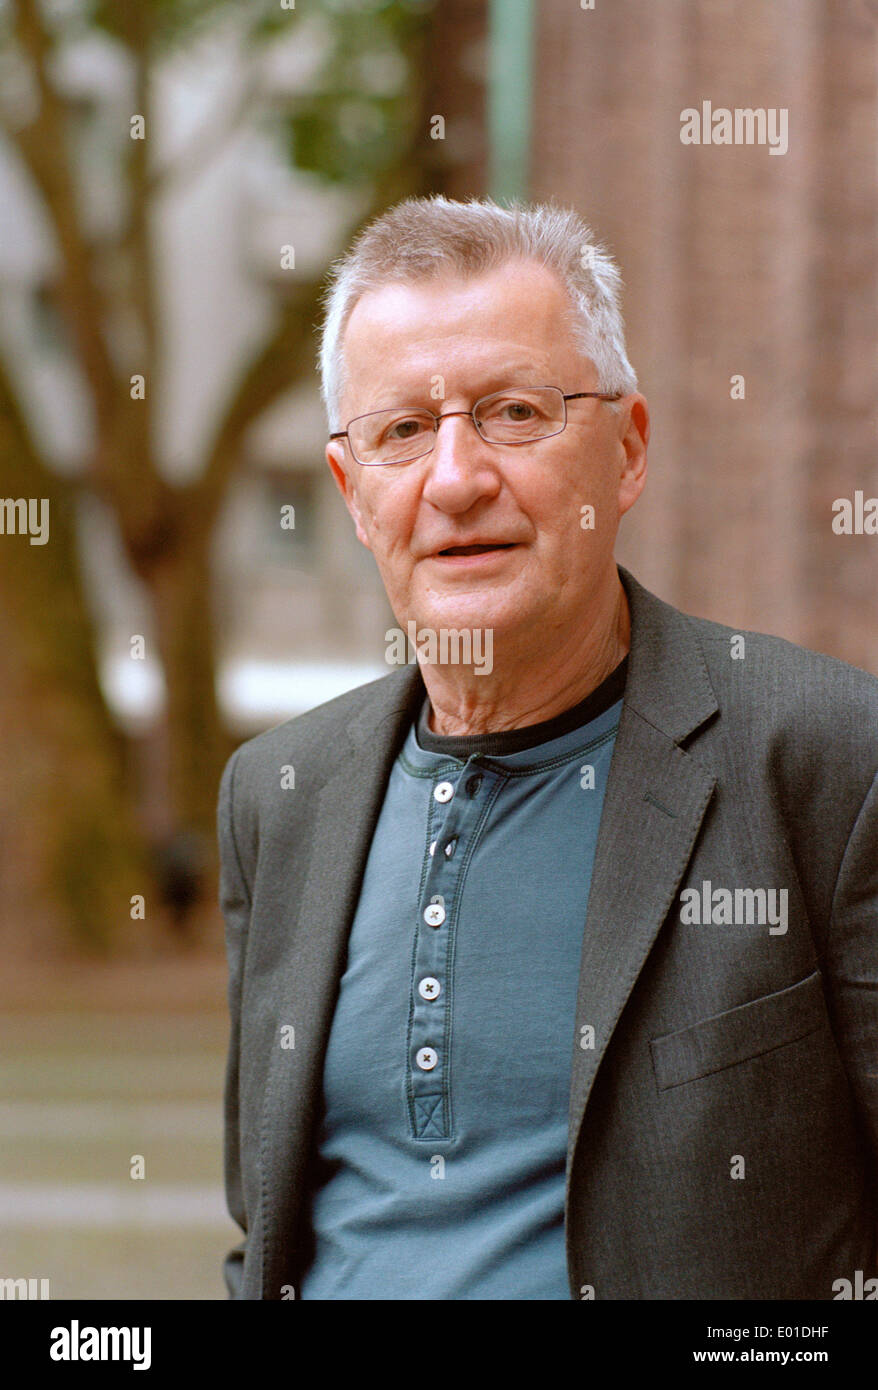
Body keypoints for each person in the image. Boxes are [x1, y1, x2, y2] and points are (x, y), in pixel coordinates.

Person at [218, 195, 878, 1300]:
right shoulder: (278, 795)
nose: (455, 477)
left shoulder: (822, 758)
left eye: (513, 413)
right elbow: (269, 1222)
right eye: (401, 431)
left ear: (624, 450)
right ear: (349, 489)